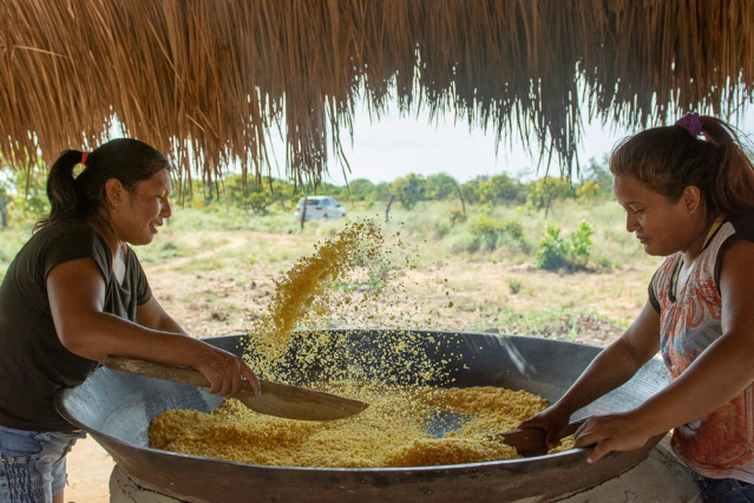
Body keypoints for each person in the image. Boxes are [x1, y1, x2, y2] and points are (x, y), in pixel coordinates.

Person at [0, 139, 261, 503]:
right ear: (115, 192)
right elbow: (80, 329)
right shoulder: (74, 239)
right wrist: (198, 356)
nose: (167, 210)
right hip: (13, 437)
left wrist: (209, 375)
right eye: (159, 196)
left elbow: (158, 325)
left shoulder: (122, 256)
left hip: (44, 435)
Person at [519, 113, 754, 502]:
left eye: (638, 209)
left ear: (690, 199)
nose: (630, 225)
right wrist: (562, 410)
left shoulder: (739, 249)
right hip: (704, 464)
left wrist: (638, 422)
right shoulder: (673, 271)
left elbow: (744, 350)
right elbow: (630, 350)